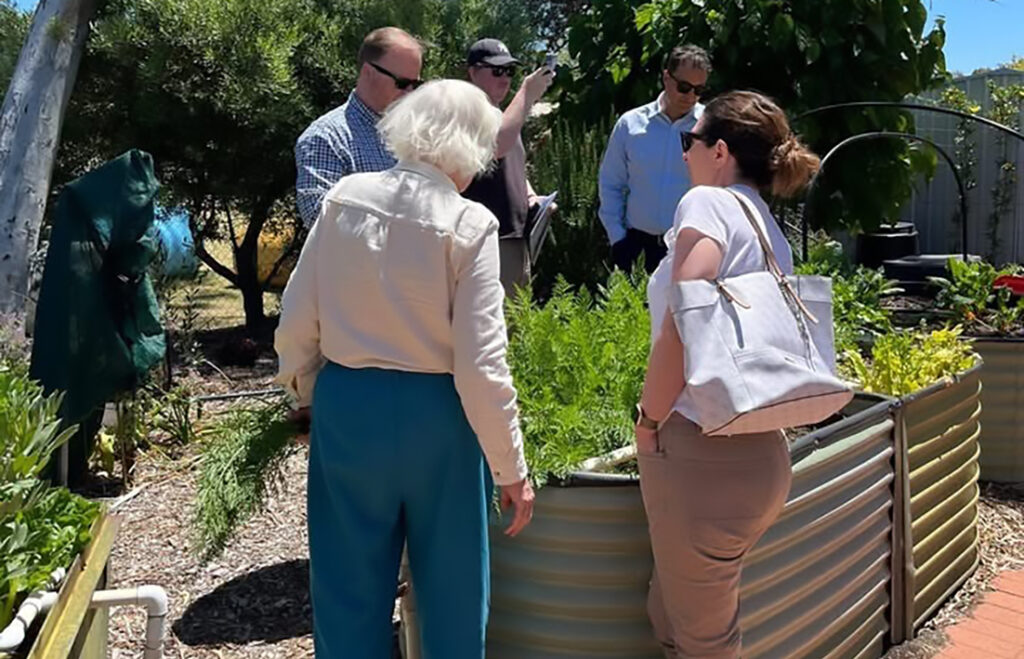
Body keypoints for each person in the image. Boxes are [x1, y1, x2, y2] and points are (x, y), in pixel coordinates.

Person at [275, 79, 534, 659]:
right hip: (440, 418)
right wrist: (510, 468)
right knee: (455, 590)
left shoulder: (343, 197)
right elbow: (482, 362)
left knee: (346, 590)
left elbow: (296, 320)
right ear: (472, 149)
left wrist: (311, 389)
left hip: (347, 402)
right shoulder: (470, 225)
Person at [635, 91, 820, 658]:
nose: (684, 150)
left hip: (702, 456)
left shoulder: (708, 205)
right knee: (671, 614)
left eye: (689, 139)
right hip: (759, 453)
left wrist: (648, 420)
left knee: (706, 643)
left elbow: (685, 317)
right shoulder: (765, 225)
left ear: (718, 151)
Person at [294, 27, 424, 227]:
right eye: (402, 83)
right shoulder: (326, 137)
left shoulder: (416, 133)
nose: (409, 94)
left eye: (415, 85)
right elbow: (319, 218)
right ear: (368, 72)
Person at [598, 45, 711, 274]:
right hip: (635, 245)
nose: (690, 97)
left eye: (698, 90)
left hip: (689, 247)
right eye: (684, 87)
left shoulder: (709, 127)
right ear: (666, 78)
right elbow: (611, 183)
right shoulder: (630, 124)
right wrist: (617, 238)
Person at [463, 38, 554, 296]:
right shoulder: (467, 113)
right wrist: (526, 92)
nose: (505, 79)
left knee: (516, 326)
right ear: (472, 72)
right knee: (495, 328)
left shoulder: (504, 116)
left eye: (510, 72)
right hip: (488, 240)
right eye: (496, 71)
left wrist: (532, 198)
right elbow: (495, 146)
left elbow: (513, 165)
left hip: (516, 239)